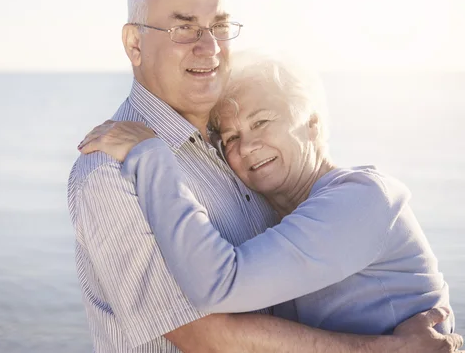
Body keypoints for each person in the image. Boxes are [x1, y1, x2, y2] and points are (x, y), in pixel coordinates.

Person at [68, 0, 463, 352]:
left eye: (219, 26)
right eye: (184, 28)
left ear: (312, 123)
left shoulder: (241, 163)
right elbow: (204, 337)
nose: (209, 47)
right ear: (135, 43)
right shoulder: (112, 170)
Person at [78, 50, 456, 337]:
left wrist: (152, 156)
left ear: (311, 124)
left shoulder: (362, 199)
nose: (247, 146)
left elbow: (219, 285)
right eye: (231, 138)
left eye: (262, 122)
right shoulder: (280, 216)